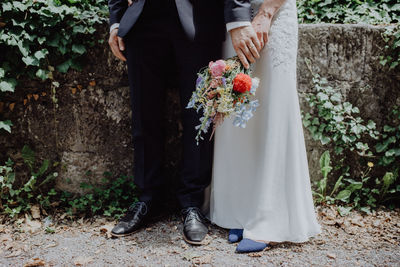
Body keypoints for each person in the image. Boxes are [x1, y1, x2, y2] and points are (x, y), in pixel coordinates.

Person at [106, 0, 255, 245]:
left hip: (200, 15)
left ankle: (192, 202)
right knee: (144, 113)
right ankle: (148, 198)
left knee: (200, 114)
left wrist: (238, 16)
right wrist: (116, 20)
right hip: (142, 18)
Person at [209, 0, 321, 253]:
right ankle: (238, 210)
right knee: (237, 106)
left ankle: (271, 216)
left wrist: (266, 13)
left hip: (274, 12)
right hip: (234, 13)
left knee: (273, 104)